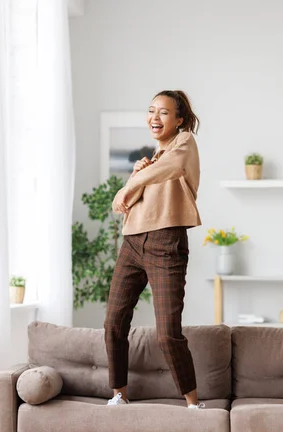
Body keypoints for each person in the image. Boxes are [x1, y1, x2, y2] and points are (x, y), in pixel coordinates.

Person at [105, 90, 204, 409]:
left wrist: (135, 181)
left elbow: (172, 168)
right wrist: (135, 177)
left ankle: (192, 403)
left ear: (179, 119)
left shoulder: (184, 143)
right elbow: (120, 204)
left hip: (166, 242)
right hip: (132, 242)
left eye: (163, 112)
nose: (155, 117)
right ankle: (118, 394)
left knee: (167, 333)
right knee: (114, 323)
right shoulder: (150, 161)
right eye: (151, 111)